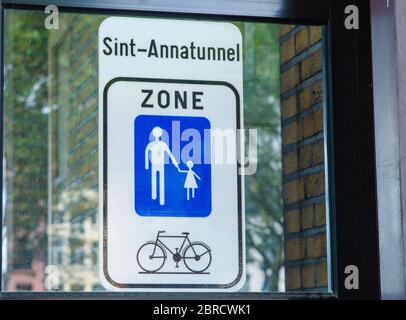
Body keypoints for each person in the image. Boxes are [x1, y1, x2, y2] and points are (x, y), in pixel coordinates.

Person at [145, 127, 179, 205]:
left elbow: (169, 153)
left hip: (161, 164)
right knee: (154, 180)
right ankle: (154, 197)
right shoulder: (151, 144)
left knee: (161, 181)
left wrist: (174, 162)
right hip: (153, 164)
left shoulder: (162, 144)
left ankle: (161, 200)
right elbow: (146, 153)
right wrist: (146, 165)